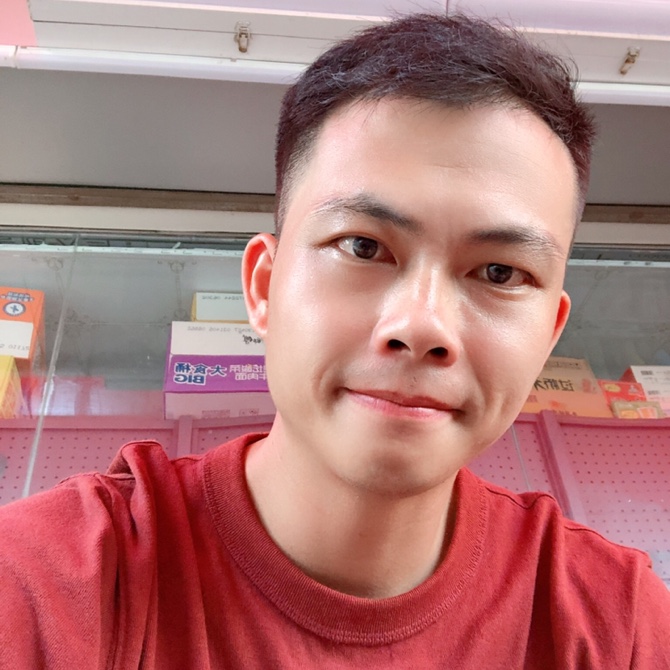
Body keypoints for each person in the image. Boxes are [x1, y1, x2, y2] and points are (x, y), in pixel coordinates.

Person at [1, 12, 669, 669]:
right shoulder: (50, 586)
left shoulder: (619, 627)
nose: (421, 326)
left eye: (499, 272)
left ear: (548, 335)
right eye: (363, 247)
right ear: (264, 287)